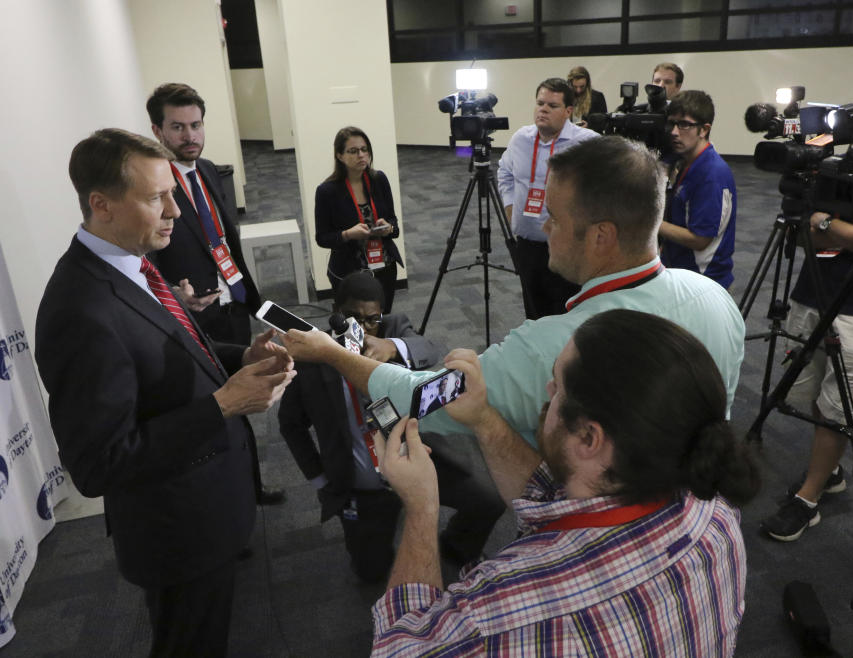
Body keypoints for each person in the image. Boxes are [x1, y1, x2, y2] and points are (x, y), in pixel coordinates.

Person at [282, 136, 746, 454]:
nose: (543, 228)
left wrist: (334, 354)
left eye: (555, 220)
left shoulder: (556, 347)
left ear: (602, 236)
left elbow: (419, 398)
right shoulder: (718, 300)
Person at [34, 129, 296, 656]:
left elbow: (167, 353)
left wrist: (239, 358)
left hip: (208, 509)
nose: (176, 210)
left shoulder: (132, 262)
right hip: (176, 534)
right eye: (158, 197)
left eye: (173, 192)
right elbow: (97, 465)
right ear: (101, 205)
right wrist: (224, 404)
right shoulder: (79, 311)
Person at [369, 309, 760, 656]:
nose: (548, 391)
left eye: (557, 384)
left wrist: (421, 507)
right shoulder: (716, 509)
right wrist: (482, 418)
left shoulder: (494, 617)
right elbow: (558, 499)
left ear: (589, 438)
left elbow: (398, 647)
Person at [278, 273, 504, 578]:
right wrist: (321, 480)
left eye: (371, 319)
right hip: (364, 485)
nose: (360, 328)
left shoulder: (393, 331)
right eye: (351, 317)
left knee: (489, 502)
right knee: (371, 573)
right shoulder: (313, 358)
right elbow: (290, 425)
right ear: (335, 311)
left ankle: (454, 548)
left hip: (422, 461)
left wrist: (392, 346)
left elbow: (430, 348)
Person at [147, 82, 285, 506]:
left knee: (241, 395)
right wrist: (168, 293)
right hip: (189, 316)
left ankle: (250, 486)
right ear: (158, 131)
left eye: (196, 125)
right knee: (207, 412)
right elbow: (141, 249)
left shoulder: (207, 169)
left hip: (230, 306)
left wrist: (248, 295)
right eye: (178, 127)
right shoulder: (152, 184)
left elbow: (223, 239)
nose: (190, 136)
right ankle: (222, 504)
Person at [761, 211, 853, 542]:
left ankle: (808, 501)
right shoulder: (844, 169)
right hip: (813, 292)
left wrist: (829, 225)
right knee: (819, 392)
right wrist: (852, 235)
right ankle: (830, 471)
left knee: (841, 404)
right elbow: (806, 235)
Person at [497, 77, 598, 320]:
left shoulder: (586, 143)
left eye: (552, 106)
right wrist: (510, 208)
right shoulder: (521, 139)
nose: (543, 109)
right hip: (528, 243)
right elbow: (505, 172)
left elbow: (605, 187)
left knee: (566, 315)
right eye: (540, 103)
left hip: (566, 246)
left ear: (568, 111)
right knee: (534, 312)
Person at [315, 126, 403, 313]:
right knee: (353, 331)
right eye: (353, 151)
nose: (361, 155)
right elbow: (322, 238)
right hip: (349, 273)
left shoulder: (379, 179)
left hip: (384, 268)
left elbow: (394, 222)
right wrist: (347, 234)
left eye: (364, 149)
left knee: (381, 323)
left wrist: (389, 228)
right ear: (339, 156)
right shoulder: (327, 192)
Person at [659, 90, 737, 289]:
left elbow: (700, 239)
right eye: (672, 124)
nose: (674, 132)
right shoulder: (685, 161)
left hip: (703, 282)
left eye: (684, 124)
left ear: (704, 130)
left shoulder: (711, 174)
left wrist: (649, 222)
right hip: (681, 273)